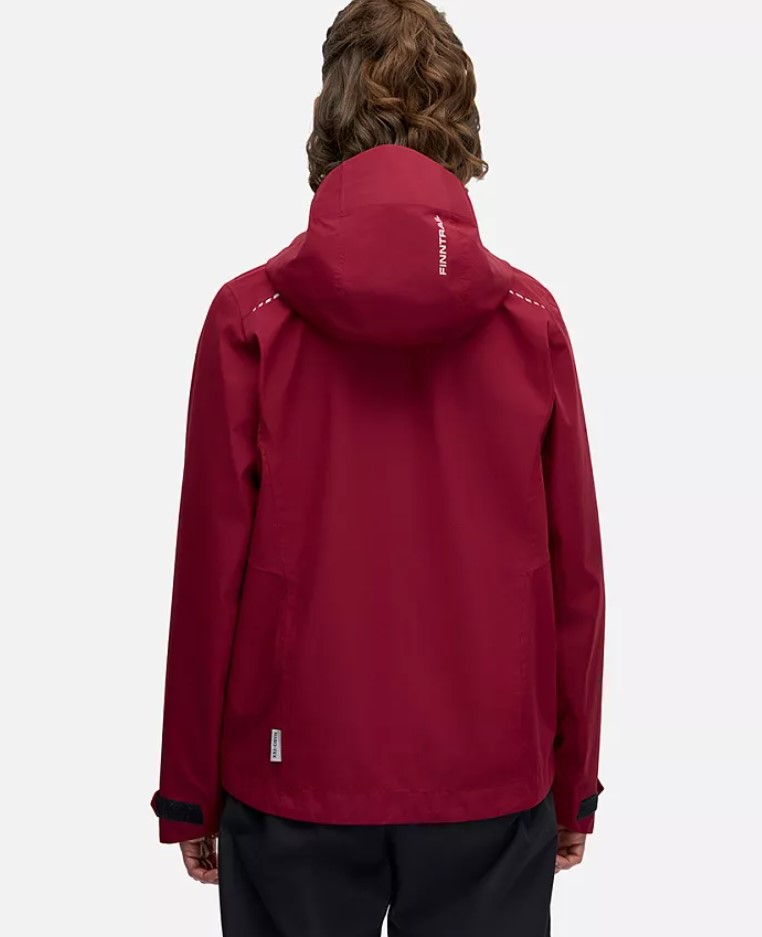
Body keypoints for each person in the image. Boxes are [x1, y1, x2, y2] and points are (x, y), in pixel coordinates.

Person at [150, 1, 606, 934]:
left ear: (330, 117)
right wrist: (576, 782)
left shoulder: (251, 317)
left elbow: (208, 573)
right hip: (491, 775)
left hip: (293, 770)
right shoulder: (529, 319)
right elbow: (576, 579)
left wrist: (190, 787)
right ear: (461, 123)